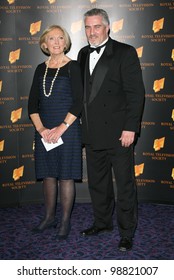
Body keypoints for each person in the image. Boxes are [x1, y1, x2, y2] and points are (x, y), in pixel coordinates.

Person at [77, 8, 145, 251]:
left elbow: (136, 94)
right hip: (93, 132)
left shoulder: (125, 53)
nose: (92, 32)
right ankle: (102, 222)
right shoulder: (83, 53)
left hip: (119, 134)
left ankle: (127, 232)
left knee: (125, 185)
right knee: (98, 183)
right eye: (88, 27)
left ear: (107, 27)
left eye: (96, 26)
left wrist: (130, 128)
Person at [28, 25, 83, 240]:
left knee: (66, 176)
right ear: (45, 44)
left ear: (66, 42)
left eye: (61, 38)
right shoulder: (40, 69)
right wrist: (42, 129)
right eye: (52, 38)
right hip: (44, 131)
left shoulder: (73, 67)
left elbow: (79, 102)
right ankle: (49, 217)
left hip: (67, 129)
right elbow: (32, 104)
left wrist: (61, 128)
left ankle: (65, 221)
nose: (57, 42)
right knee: (48, 175)